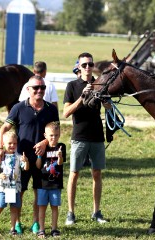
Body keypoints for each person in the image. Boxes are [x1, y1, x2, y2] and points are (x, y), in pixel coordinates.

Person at [0, 75, 59, 235]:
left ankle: (36, 223)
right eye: (36, 87)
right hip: (20, 160)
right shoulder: (18, 108)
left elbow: (56, 132)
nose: (39, 91)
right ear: (28, 89)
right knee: (17, 193)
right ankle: (17, 223)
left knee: (39, 191)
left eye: (42, 87)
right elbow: (4, 129)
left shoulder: (51, 109)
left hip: (42, 159)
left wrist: (44, 143)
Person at [63, 52, 111, 225]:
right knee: (74, 174)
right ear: (79, 67)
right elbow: (66, 113)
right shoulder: (72, 86)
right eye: (84, 65)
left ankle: (96, 212)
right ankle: (70, 213)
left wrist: (106, 102)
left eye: (90, 64)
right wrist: (82, 97)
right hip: (79, 136)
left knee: (96, 174)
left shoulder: (99, 84)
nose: (88, 68)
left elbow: (109, 108)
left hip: (97, 135)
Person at [0, 131, 29, 236]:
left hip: (14, 188)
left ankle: (12, 229)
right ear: (3, 144)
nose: (12, 145)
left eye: (14, 143)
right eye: (9, 143)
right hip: (3, 188)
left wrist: (26, 161)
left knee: (14, 208)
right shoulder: (0, 157)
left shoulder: (18, 157)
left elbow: (25, 168)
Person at [36, 122, 66, 238]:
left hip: (56, 184)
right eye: (51, 135)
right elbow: (38, 166)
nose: (54, 138)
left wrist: (60, 156)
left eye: (56, 135)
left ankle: (54, 229)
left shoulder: (61, 147)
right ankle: (41, 229)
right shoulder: (42, 148)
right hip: (42, 184)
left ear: (59, 135)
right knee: (42, 207)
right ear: (45, 135)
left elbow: (60, 163)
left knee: (54, 207)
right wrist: (39, 156)